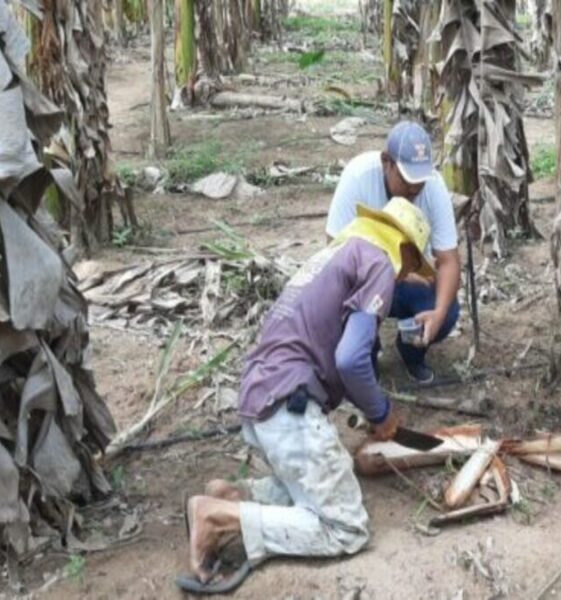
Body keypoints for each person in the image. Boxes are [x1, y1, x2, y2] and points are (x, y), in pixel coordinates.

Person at [177, 198, 435, 594]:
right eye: (412, 265)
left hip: (262, 394)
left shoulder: (336, 255)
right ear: (404, 247)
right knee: (345, 526)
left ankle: (233, 495)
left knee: (317, 487)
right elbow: (350, 360)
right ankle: (218, 518)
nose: (404, 277)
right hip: (288, 403)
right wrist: (381, 412)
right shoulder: (380, 262)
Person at [326, 120, 460, 384]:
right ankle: (367, 353)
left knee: (447, 307)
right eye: (407, 180)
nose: (414, 189)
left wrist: (440, 312)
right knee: (341, 295)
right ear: (387, 162)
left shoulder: (432, 186)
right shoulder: (358, 177)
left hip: (409, 282)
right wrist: (395, 273)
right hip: (363, 281)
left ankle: (412, 353)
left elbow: (449, 261)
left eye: (419, 181)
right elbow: (333, 252)